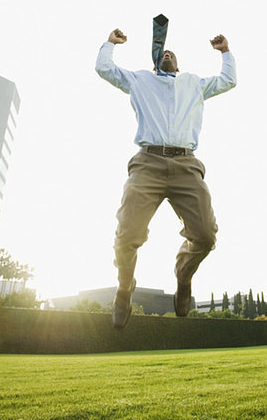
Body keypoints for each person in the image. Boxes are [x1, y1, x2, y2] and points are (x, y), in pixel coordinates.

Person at [95, 27, 237, 328]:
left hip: (186, 165)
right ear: (155, 63)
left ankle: (183, 276)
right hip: (148, 163)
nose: (167, 53)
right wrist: (111, 43)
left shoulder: (194, 83)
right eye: (163, 53)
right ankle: (124, 288)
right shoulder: (140, 80)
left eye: (172, 53)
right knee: (126, 233)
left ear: (179, 65)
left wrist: (225, 52)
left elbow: (228, 80)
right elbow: (104, 68)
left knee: (207, 235)